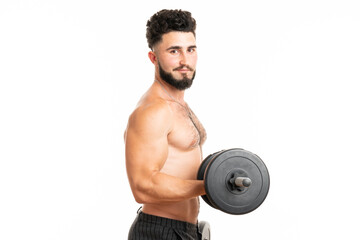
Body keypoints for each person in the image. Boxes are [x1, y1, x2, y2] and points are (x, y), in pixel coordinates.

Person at [124, 9, 207, 240]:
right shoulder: (153, 111)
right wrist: (210, 186)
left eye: (190, 49)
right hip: (158, 231)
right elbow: (143, 186)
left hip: (185, 231)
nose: (185, 60)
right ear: (153, 58)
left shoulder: (179, 104)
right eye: (174, 51)